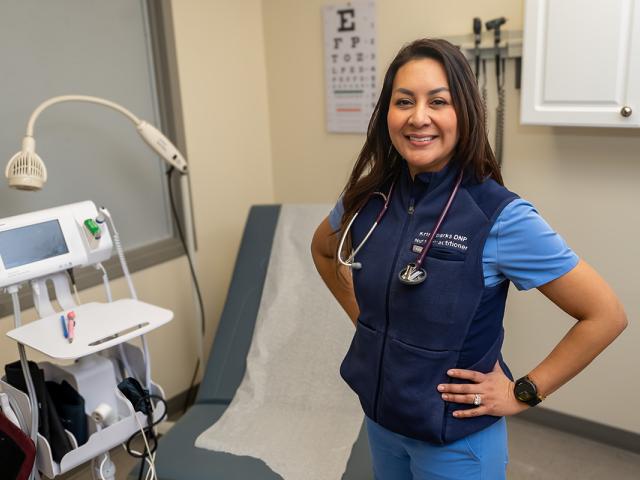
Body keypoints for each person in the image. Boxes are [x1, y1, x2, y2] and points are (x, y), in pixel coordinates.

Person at [310, 38, 627, 480]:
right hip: (382, 423)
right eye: (404, 101)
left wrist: (524, 391)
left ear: (464, 113)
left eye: (437, 101)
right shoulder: (368, 198)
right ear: (387, 114)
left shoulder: (499, 215)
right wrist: (366, 322)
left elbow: (605, 315)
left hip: (456, 442)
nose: (418, 117)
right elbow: (324, 251)